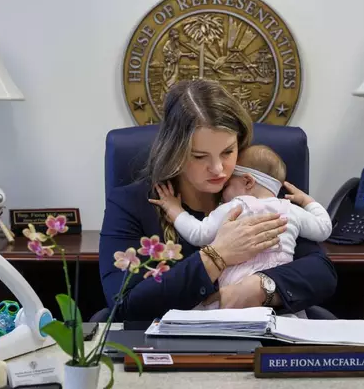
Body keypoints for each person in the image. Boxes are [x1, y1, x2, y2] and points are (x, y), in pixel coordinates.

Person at [98, 78, 337, 322]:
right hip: (174, 349)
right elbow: (124, 305)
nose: (218, 169)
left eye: (228, 152)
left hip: (262, 344)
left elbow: (321, 272)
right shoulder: (131, 204)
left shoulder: (257, 190)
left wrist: (260, 288)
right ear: (174, 151)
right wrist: (217, 255)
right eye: (200, 156)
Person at [149, 144, 332, 312]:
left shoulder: (236, 207)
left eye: (227, 185)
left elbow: (198, 233)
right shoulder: (292, 211)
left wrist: (174, 210)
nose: (222, 192)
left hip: (231, 299)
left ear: (247, 182)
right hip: (276, 302)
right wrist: (307, 201)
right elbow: (324, 229)